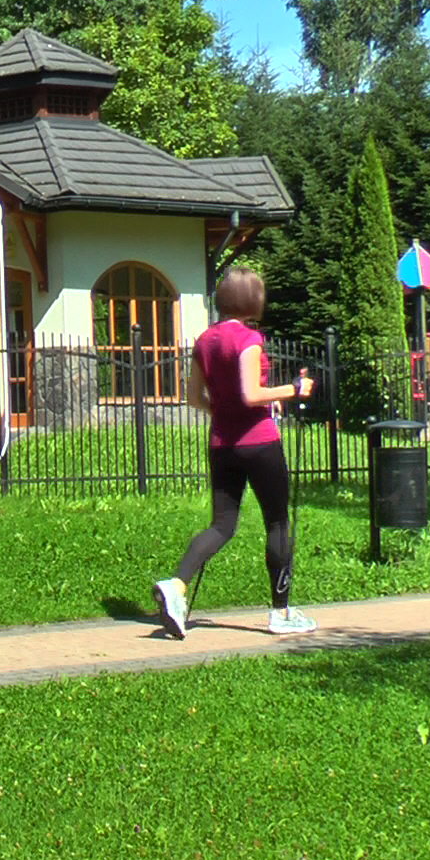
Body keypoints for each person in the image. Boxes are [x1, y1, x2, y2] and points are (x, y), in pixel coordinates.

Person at [155, 267, 315, 638]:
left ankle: (176, 585)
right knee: (277, 522)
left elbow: (194, 398)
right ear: (253, 301)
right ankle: (281, 613)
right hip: (259, 443)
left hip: (222, 445)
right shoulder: (248, 338)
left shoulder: (205, 341)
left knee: (222, 525)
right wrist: (293, 389)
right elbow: (250, 394)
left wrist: (221, 413)